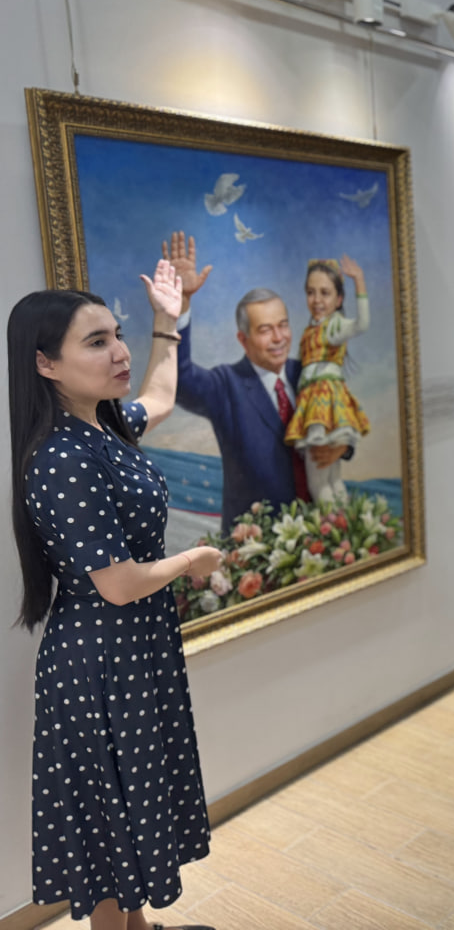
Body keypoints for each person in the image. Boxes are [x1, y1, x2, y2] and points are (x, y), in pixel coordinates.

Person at [8, 265, 224, 930]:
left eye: (117, 335)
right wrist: (192, 560)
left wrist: (167, 320)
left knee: (131, 814)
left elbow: (160, 395)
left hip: (132, 652)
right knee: (108, 835)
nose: (119, 352)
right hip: (101, 663)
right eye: (96, 342)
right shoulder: (64, 457)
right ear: (45, 364)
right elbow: (119, 584)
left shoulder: (103, 425)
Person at [164, 232, 345, 532]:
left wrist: (342, 447)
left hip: (319, 533)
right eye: (265, 330)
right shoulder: (225, 385)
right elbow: (179, 381)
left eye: (283, 325)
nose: (278, 338)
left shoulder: (307, 373)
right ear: (243, 339)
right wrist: (182, 304)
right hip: (254, 545)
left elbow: (341, 415)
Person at [283, 256, 371, 502]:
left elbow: (362, 324)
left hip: (323, 403)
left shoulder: (334, 326)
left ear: (339, 299)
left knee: (319, 479)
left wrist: (359, 281)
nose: (317, 300)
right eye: (311, 292)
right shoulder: (309, 331)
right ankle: (343, 520)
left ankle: (330, 521)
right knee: (330, 477)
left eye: (325, 293)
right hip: (315, 400)